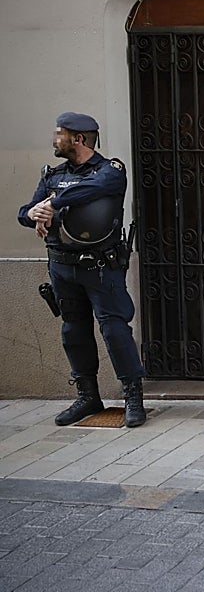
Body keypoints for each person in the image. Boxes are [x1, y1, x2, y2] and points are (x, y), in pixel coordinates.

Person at [17, 112, 146, 428]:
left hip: (101, 268)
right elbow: (25, 214)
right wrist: (33, 211)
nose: (54, 139)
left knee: (114, 330)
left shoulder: (109, 171)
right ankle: (88, 397)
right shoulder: (53, 175)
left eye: (59, 133)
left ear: (78, 138)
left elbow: (93, 189)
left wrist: (54, 202)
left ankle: (133, 397)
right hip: (62, 267)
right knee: (73, 331)